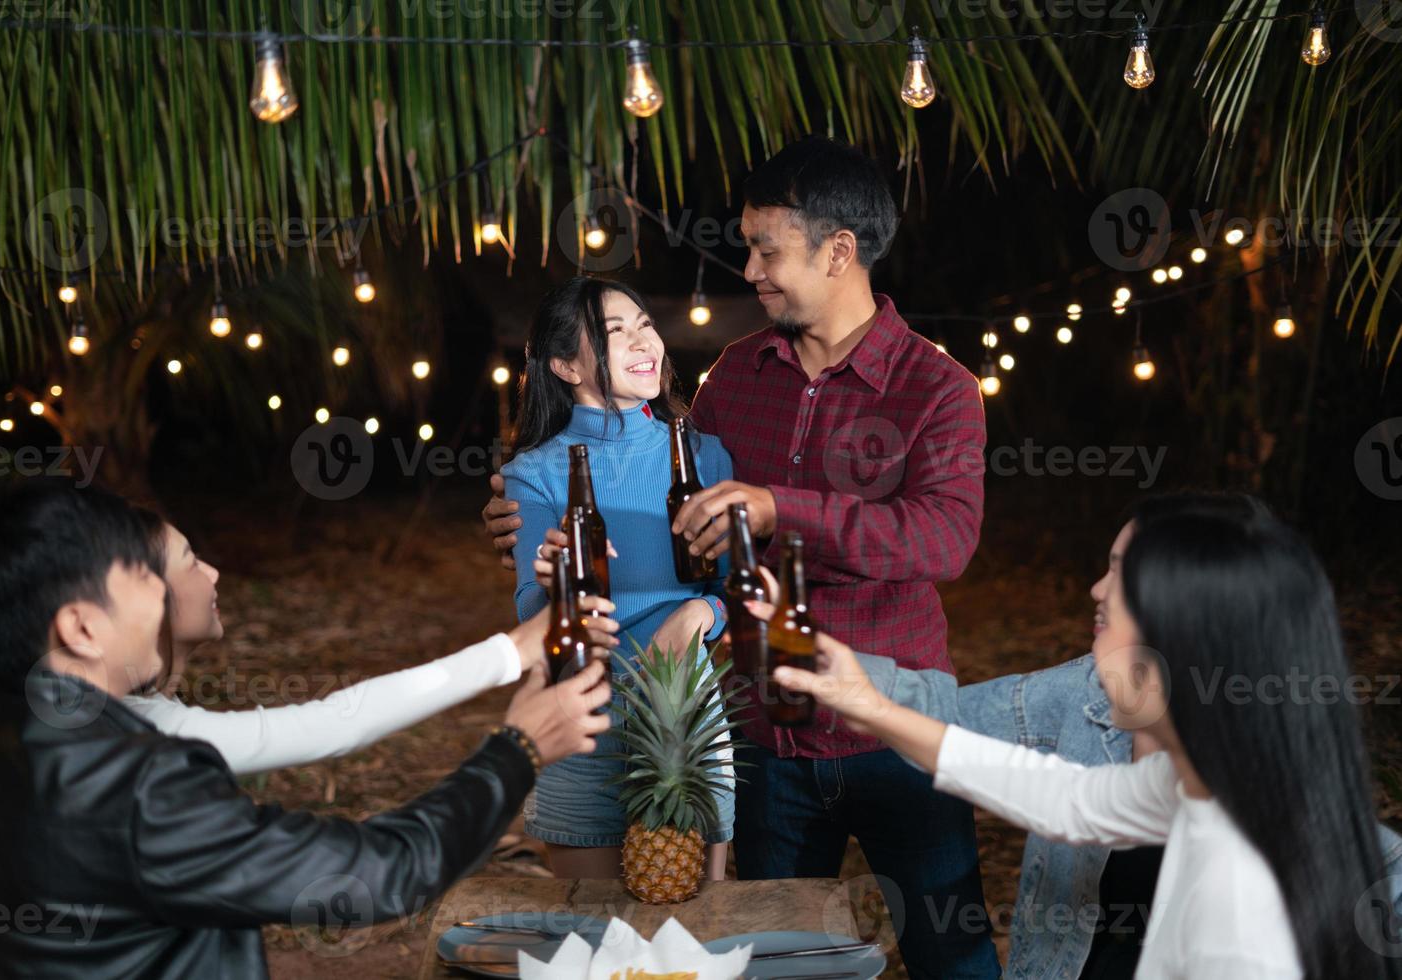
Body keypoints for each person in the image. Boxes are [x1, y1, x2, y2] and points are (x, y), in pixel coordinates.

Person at [486, 136, 996, 976]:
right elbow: (647, 489)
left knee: (953, 954)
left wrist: (775, 507)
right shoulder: (735, 377)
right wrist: (525, 514)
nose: (751, 268)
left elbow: (943, 539)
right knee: (758, 955)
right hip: (758, 729)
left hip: (894, 720)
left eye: (768, 249)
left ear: (839, 251)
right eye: (749, 246)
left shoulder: (935, 388)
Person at [0, 478, 611, 978]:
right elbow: (381, 874)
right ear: (80, 626)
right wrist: (518, 749)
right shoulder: (140, 785)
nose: (163, 593)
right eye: (143, 575)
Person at [752, 491, 1402, 979]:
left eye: (1119, 575)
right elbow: (1066, 799)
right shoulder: (1211, 786)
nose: (1095, 588)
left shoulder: (1238, 914)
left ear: (1180, 632)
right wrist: (863, 700)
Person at [501, 276, 735, 881]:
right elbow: (530, 611)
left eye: (645, 324)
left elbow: (734, 587)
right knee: (593, 933)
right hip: (582, 722)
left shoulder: (705, 456)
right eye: (614, 332)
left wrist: (700, 614)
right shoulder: (537, 473)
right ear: (565, 366)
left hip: (683, 722)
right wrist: (555, 587)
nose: (643, 341)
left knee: (694, 934)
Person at [120, 508, 619, 776]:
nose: (212, 572)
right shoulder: (139, 733)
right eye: (188, 561)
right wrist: (513, 651)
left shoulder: (148, 709)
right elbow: (334, 723)